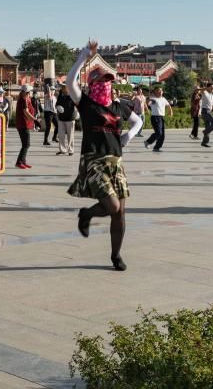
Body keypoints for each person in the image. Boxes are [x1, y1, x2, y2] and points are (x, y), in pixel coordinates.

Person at [68, 41, 143, 272]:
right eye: (102, 80)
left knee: (120, 214)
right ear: (92, 84)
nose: (107, 84)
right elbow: (70, 81)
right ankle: (87, 213)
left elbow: (138, 121)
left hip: (115, 162)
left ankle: (116, 255)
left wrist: (128, 136)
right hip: (94, 161)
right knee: (111, 206)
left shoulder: (118, 106)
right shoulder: (86, 103)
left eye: (109, 80)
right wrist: (83, 56)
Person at [143, 86, 172, 152]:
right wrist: (148, 99)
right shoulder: (154, 99)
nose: (160, 92)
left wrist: (170, 111)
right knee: (159, 132)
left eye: (161, 91)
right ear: (155, 92)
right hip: (155, 118)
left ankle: (156, 147)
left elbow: (168, 105)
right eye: (158, 91)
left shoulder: (163, 99)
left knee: (162, 135)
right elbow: (148, 103)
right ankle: (148, 142)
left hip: (161, 118)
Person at [14, 84, 36, 169]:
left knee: (26, 144)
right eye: (29, 92)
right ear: (26, 92)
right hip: (23, 124)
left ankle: (23, 161)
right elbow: (26, 112)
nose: (30, 93)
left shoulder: (25, 99)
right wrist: (35, 120)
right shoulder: (23, 100)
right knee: (26, 144)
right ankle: (19, 162)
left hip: (24, 124)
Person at [55, 84, 77, 156]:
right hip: (61, 118)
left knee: (70, 136)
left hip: (70, 118)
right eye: (62, 87)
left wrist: (78, 112)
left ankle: (71, 150)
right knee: (61, 135)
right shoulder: (60, 95)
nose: (63, 89)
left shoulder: (72, 95)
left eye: (64, 87)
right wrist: (58, 107)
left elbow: (77, 104)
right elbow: (57, 103)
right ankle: (62, 150)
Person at [200, 83, 213, 148]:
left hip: (209, 111)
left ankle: (204, 142)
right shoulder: (205, 92)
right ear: (208, 88)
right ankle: (205, 132)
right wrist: (207, 87)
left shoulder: (211, 95)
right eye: (211, 88)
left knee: (208, 127)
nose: (212, 89)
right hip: (205, 112)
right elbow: (200, 90)